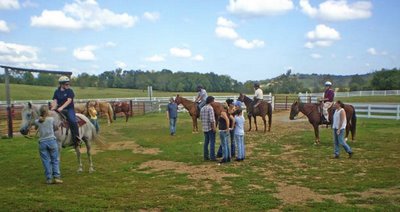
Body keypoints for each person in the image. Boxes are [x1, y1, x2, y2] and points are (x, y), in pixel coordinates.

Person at [35, 105, 63, 184]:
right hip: (52, 141)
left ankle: (49, 179)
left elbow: (36, 127)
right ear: (47, 112)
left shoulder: (37, 121)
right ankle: (57, 177)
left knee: (46, 161)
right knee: (55, 160)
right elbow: (56, 128)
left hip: (42, 143)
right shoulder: (51, 119)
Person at [51, 76, 81, 147]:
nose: (68, 85)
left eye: (68, 84)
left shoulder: (70, 91)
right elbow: (55, 101)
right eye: (66, 84)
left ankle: (77, 139)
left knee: (73, 121)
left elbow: (69, 100)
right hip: (59, 109)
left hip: (69, 109)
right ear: (61, 84)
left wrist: (61, 107)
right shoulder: (56, 91)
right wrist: (53, 108)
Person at [200, 96, 216, 161]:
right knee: (212, 142)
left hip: (204, 127)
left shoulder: (202, 108)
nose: (214, 102)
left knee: (206, 142)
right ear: (211, 101)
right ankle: (212, 157)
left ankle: (205, 156)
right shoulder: (210, 108)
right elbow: (212, 120)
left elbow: (201, 118)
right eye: (213, 101)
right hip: (210, 128)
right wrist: (214, 128)